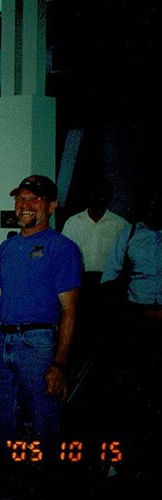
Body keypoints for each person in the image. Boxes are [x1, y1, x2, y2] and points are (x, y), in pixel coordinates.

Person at [0, 175, 81, 496]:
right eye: (20, 199)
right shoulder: (8, 247)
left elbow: (71, 311)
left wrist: (59, 363)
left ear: (51, 206)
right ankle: (11, 482)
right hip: (1, 343)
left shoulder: (62, 248)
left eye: (34, 199)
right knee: (0, 420)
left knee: (45, 421)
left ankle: (46, 486)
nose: (24, 205)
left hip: (38, 344)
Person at [100, 195, 161, 488]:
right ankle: (125, 462)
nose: (154, 207)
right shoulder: (131, 233)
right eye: (151, 203)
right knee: (131, 393)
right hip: (136, 319)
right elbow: (110, 277)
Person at [61, 178, 128, 357]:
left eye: (101, 194)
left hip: (107, 285)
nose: (96, 198)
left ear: (108, 197)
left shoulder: (120, 225)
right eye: (92, 193)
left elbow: (124, 259)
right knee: (80, 326)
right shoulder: (73, 222)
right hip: (80, 282)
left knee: (104, 330)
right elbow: (64, 256)